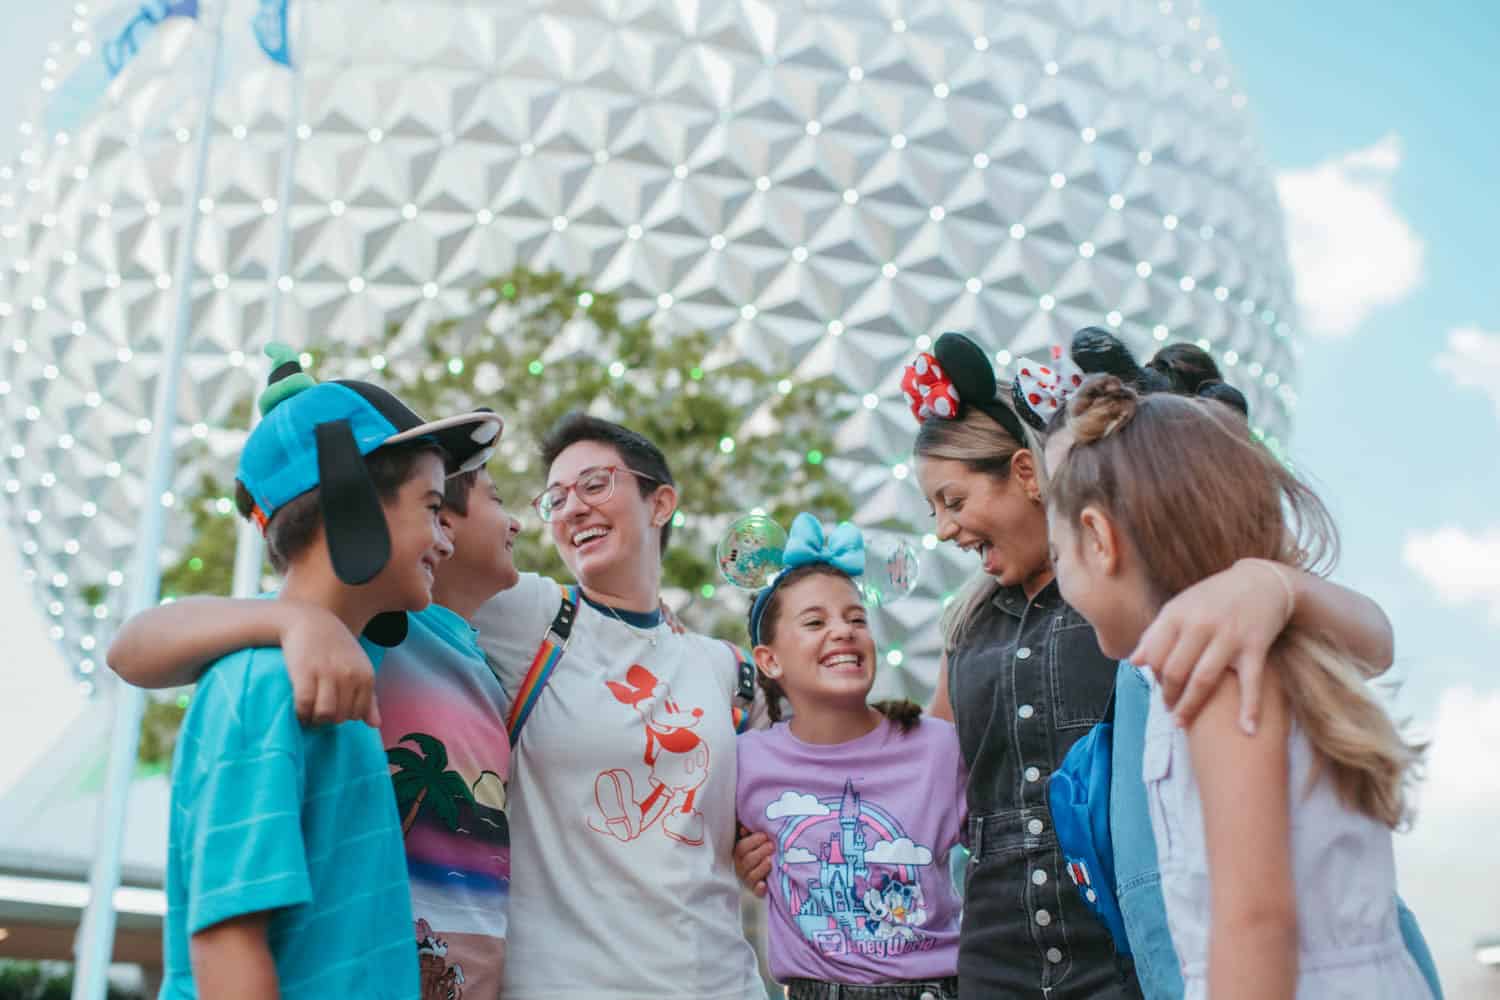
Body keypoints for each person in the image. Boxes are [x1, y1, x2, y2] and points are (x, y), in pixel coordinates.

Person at [112, 412, 769, 1000]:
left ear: (661, 502)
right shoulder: (484, 618)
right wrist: (294, 622)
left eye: (596, 484)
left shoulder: (715, 666)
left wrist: (756, 836)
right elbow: (137, 647)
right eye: (553, 497)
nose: (559, 511)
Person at [1043, 375, 1432, 999]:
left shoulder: (1221, 673)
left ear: (1098, 538)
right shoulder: (1267, 649)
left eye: (1058, 554)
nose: (1060, 580)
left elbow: (1255, 923)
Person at [157, 346, 502, 999]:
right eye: (432, 508)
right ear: (354, 501)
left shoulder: (337, 675)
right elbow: (229, 948)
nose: (446, 539)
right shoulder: (263, 686)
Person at [736, 514, 965, 1000]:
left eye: (857, 619)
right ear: (769, 660)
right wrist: (737, 858)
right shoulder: (745, 762)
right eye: (815, 622)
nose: (843, 631)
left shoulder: (939, 749)